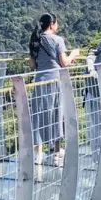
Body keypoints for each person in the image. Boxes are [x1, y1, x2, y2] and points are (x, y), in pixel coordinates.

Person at [29, 13, 80, 171]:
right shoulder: (57, 40)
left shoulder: (35, 40)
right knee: (57, 114)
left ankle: (38, 154)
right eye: (56, 23)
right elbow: (64, 63)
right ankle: (56, 153)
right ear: (52, 24)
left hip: (40, 81)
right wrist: (74, 54)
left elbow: (32, 65)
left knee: (39, 115)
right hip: (56, 81)